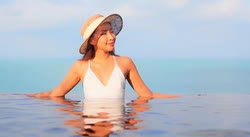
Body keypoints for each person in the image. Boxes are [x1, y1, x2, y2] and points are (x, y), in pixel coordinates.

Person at [28, 13, 178, 100]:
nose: (111, 36)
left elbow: (147, 96)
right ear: (92, 40)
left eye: (111, 31)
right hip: (90, 128)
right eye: (104, 33)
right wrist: (28, 97)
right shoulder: (80, 67)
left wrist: (179, 99)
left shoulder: (125, 63)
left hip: (117, 129)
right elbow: (56, 95)